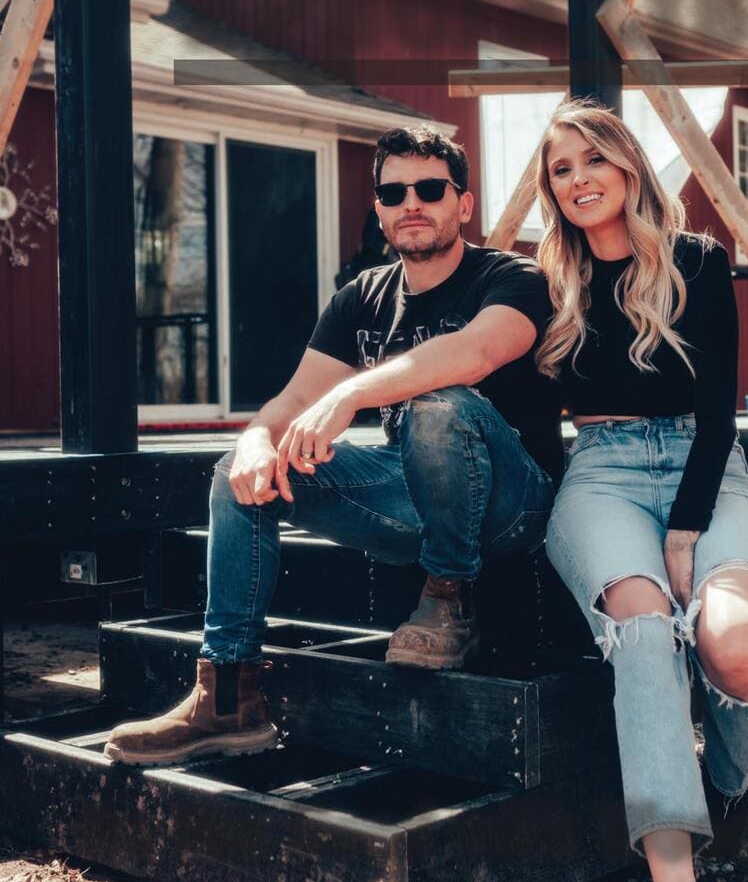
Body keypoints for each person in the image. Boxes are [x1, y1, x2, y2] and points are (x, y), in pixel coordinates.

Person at [105, 126, 563, 767]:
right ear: (377, 206)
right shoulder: (362, 298)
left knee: (441, 404)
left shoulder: (513, 277)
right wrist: (255, 443)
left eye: (430, 188)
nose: (412, 203)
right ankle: (228, 699)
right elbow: (289, 404)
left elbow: (478, 351)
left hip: (515, 505)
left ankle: (447, 604)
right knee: (241, 474)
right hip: (413, 496)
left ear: (463, 203)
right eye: (393, 191)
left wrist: (350, 396)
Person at [535, 99, 748, 882]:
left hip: (706, 469)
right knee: (646, 630)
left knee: (734, 652)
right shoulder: (548, 284)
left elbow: (720, 409)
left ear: (629, 164)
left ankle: (722, 780)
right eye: (560, 169)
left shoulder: (697, 262)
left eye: (591, 159)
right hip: (598, 477)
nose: (577, 181)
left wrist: (685, 530)